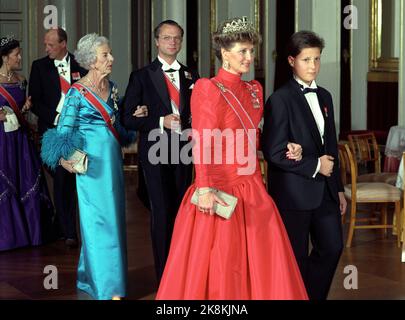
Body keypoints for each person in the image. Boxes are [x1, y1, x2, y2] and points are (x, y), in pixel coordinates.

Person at [156, 17, 308, 300]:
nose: (249, 58)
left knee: (262, 262)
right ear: (225, 53)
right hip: (218, 188)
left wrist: (286, 145)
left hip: (253, 187)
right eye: (242, 51)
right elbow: (202, 141)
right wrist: (203, 188)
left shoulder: (255, 90)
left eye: (251, 51)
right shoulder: (207, 88)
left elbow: (253, 137)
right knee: (225, 265)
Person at [40, 33, 145, 300]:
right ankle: (108, 288)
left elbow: (119, 128)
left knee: (114, 222)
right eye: (105, 55)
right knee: (99, 223)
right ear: (91, 61)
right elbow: (62, 133)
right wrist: (72, 160)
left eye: (109, 54)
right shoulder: (76, 92)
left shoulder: (113, 87)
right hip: (91, 168)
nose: (111, 58)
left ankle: (90, 277)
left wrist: (132, 118)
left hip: (113, 164)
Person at [262, 30, 347, 300]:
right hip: (293, 193)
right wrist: (313, 166)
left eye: (317, 59)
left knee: (332, 247)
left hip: (325, 191)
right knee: (295, 257)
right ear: (291, 61)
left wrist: (339, 188)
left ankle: (310, 295)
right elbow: (273, 151)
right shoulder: (279, 99)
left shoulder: (326, 97)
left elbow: (331, 145)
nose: (313, 66)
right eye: (306, 59)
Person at [122, 19, 199, 282]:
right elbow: (128, 119)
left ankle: (181, 267)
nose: (172, 42)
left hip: (184, 150)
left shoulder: (192, 75)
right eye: (167, 38)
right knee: (161, 211)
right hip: (155, 149)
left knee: (181, 210)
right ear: (157, 41)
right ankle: (165, 273)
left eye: (177, 37)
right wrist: (158, 120)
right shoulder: (141, 76)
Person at [29, 27, 87, 248]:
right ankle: (69, 232)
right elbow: (34, 101)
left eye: (51, 44)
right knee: (63, 179)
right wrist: (56, 118)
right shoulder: (39, 66)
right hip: (53, 135)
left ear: (63, 43)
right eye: (46, 44)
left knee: (70, 182)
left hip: (78, 134)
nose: (47, 48)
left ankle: (63, 227)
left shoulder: (80, 65)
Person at [0, 36, 54, 251]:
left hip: (21, 139)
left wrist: (24, 108)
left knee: (28, 178)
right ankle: (9, 236)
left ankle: (32, 233)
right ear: (5, 57)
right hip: (2, 141)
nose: (20, 57)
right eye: (16, 54)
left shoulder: (21, 79)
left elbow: (20, 109)